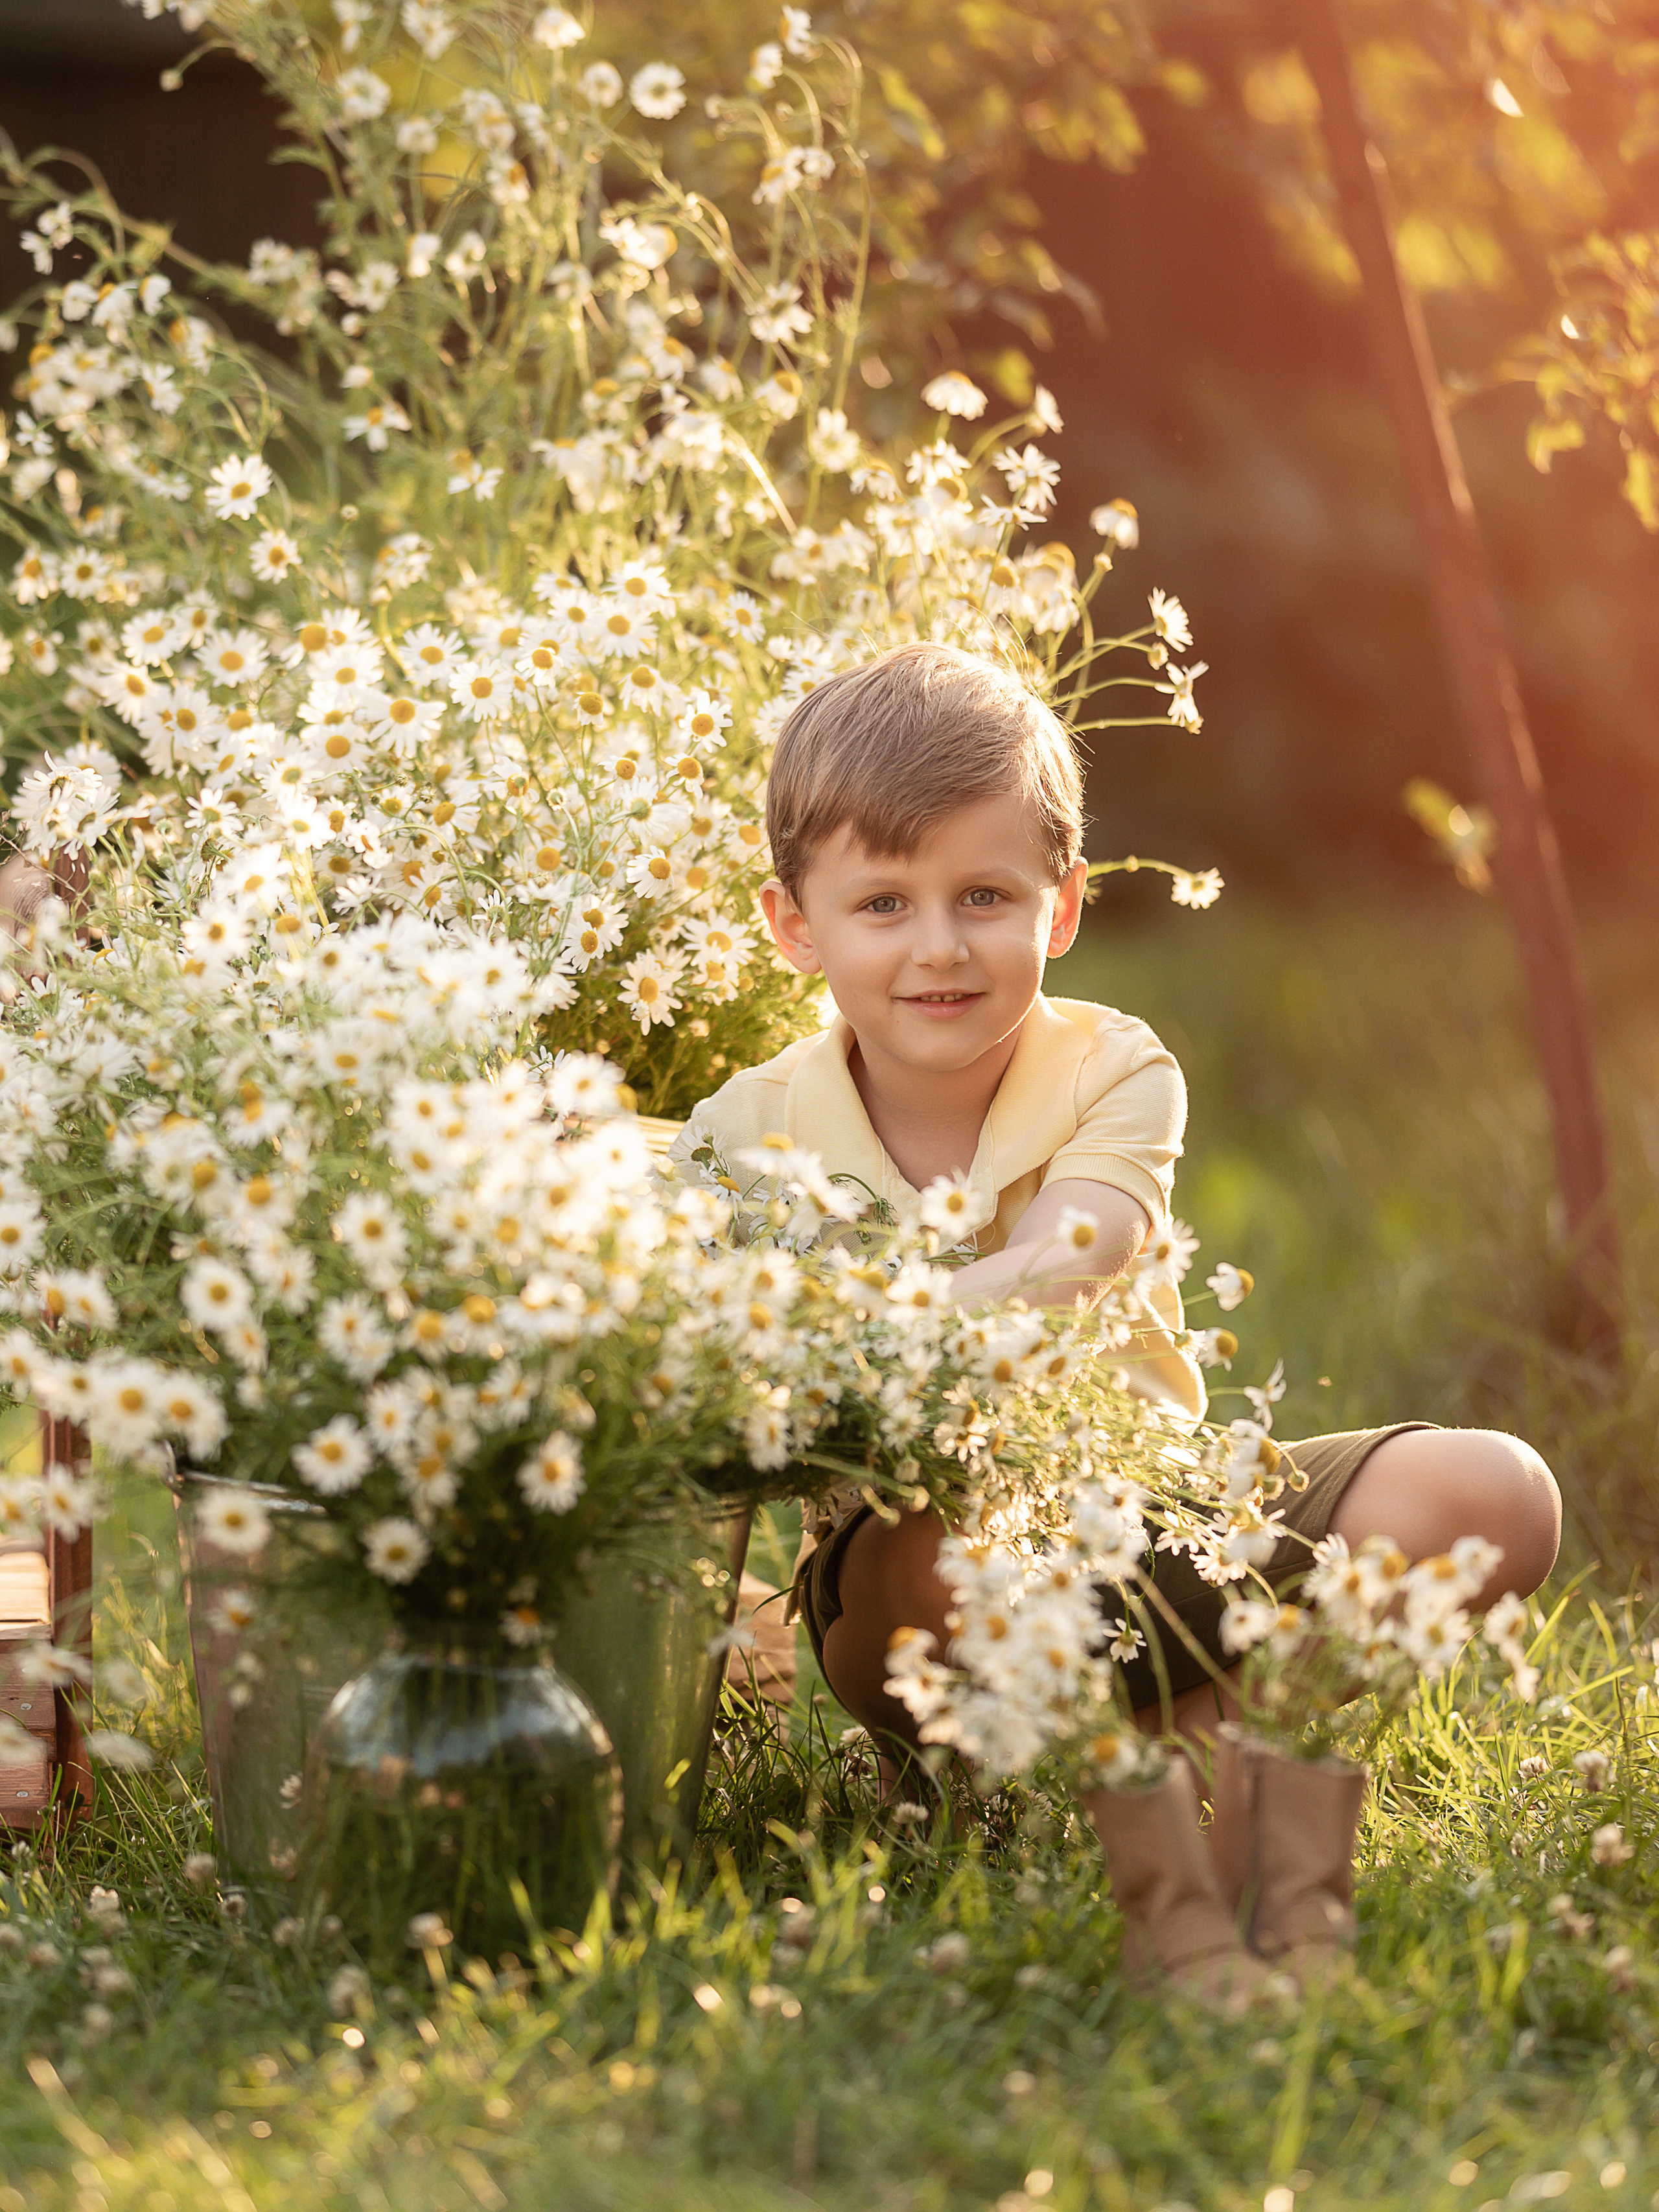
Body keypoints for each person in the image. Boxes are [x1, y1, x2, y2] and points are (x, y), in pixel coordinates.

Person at [671, 640, 1561, 1997]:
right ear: (795, 925)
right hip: (915, 1588)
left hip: (1159, 1529)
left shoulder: (1110, 1063)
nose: (939, 946)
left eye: (984, 894)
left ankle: (1240, 1782)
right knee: (930, 1546)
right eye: (881, 904)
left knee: (1494, 1489)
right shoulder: (740, 1133)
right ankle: (1152, 1852)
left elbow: (1080, 1248)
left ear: (1064, 905)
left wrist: (867, 1333)